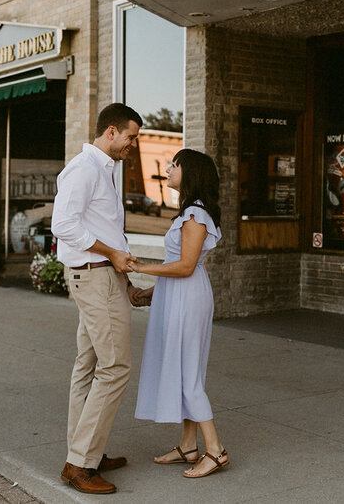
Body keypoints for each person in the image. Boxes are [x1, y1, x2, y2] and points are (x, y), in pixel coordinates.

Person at [51, 103, 145, 495]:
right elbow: (63, 224)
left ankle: (89, 449)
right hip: (94, 278)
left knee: (89, 365)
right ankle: (81, 463)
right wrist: (111, 255)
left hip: (103, 279)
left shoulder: (101, 170)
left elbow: (100, 227)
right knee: (116, 366)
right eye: (131, 137)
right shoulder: (84, 168)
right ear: (110, 132)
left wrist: (124, 282)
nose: (133, 145)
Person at [129, 148, 229, 479]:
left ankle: (215, 451)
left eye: (176, 165)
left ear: (192, 174)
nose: (169, 169)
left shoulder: (196, 215)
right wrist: (154, 292)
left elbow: (186, 266)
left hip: (189, 297)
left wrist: (143, 267)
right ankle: (188, 445)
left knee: (189, 374)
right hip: (179, 294)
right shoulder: (189, 212)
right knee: (184, 370)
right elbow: (184, 267)